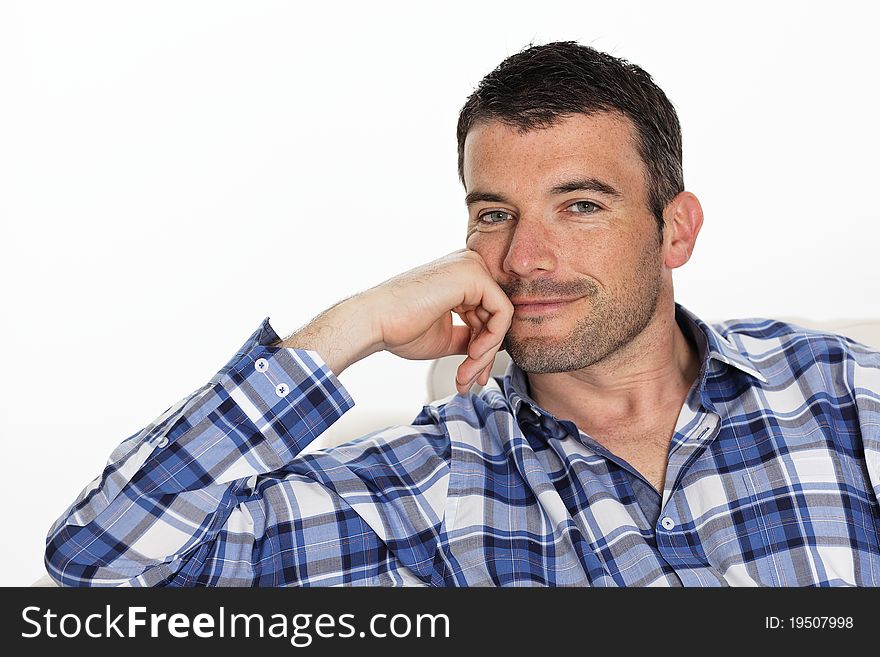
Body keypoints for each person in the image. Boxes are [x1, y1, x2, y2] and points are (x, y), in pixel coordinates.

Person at [45, 41, 880, 587]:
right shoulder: (425, 484)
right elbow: (101, 565)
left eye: (580, 206)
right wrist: (353, 324)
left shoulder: (841, 392)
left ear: (676, 228)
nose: (524, 259)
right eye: (493, 214)